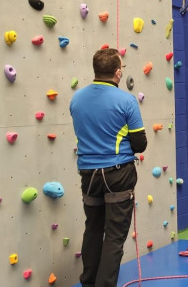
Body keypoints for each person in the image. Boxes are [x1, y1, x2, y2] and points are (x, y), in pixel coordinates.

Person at [70, 48, 148, 287]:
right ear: (117, 72)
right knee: (114, 237)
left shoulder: (77, 99)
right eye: (121, 68)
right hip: (117, 175)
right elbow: (140, 143)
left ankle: (88, 282)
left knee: (92, 230)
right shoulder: (126, 101)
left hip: (88, 175)